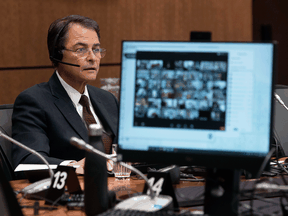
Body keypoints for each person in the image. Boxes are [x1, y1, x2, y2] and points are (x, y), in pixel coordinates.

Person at [12, 15, 118, 173]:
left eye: (96, 49)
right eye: (81, 49)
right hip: (71, 193)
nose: (92, 58)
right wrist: (74, 166)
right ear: (57, 55)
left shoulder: (107, 99)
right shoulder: (34, 101)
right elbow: (28, 160)